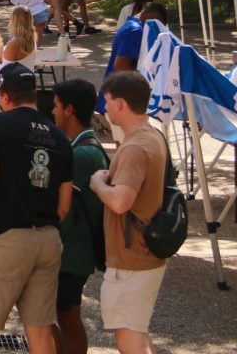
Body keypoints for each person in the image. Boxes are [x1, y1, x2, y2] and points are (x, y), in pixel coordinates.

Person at [0, 63, 73, 354]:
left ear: (5, 96)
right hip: (47, 239)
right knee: (39, 331)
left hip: (5, 238)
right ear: (34, 94)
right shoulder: (60, 137)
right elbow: (64, 206)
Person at [89, 72, 169, 354]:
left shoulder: (135, 146)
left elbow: (121, 202)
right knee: (137, 332)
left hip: (132, 256)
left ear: (121, 103)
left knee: (129, 339)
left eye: (108, 101)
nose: (105, 108)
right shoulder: (152, 136)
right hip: (143, 254)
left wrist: (98, 184)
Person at [51, 80, 108, 354]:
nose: (53, 112)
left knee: (66, 317)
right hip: (75, 250)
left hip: (73, 252)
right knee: (63, 315)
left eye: (56, 106)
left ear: (69, 110)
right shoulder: (84, 146)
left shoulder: (82, 154)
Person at [3, 5, 39, 70]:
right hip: (27, 78)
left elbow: (5, 69)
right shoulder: (31, 39)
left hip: (14, 79)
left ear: (14, 21)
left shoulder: (14, 43)